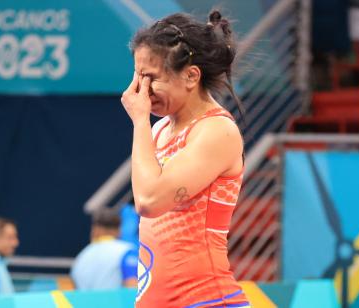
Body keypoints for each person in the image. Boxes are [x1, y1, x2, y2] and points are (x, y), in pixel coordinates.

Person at [120, 10, 250, 308]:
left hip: (207, 301)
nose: (139, 91)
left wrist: (139, 121)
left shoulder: (218, 130)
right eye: (137, 77)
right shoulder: (161, 129)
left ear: (191, 76)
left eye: (150, 78)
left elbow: (149, 201)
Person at [70, 208, 138, 290]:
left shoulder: (80, 258)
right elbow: (133, 289)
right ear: (119, 231)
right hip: (116, 302)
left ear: (95, 230)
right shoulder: (127, 251)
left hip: (86, 302)